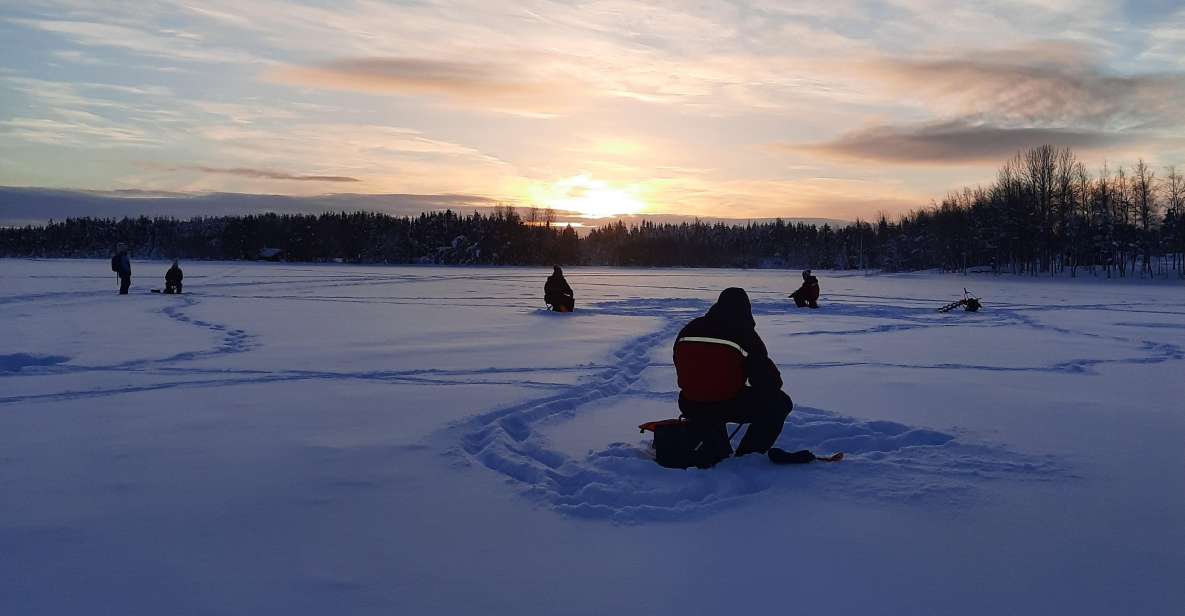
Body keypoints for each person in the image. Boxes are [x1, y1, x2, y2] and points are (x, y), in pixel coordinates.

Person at [673, 287, 825, 465]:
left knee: (714, 395)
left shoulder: (690, 328)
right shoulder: (745, 334)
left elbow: (678, 362)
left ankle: (714, 441)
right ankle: (748, 455)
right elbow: (768, 382)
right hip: (726, 402)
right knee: (780, 403)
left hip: (690, 402)